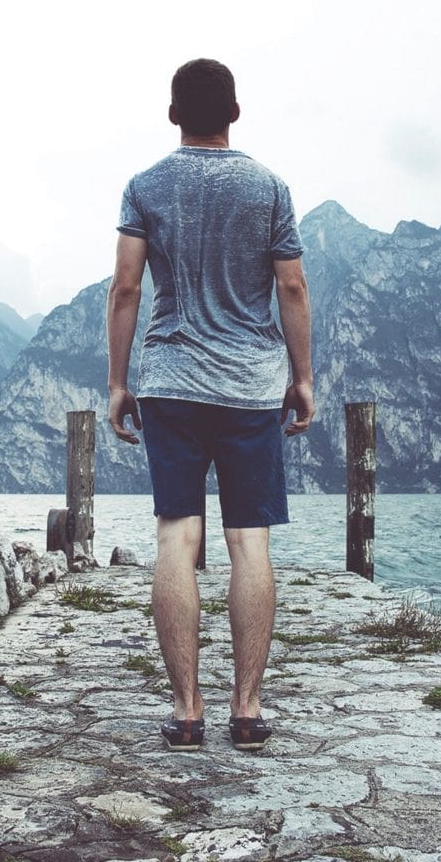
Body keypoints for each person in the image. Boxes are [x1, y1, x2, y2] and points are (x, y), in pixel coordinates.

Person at [106, 58, 314, 752]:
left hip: (170, 384)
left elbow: (127, 290)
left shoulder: (145, 186)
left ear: (174, 115)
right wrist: (303, 376)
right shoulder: (269, 187)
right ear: (235, 112)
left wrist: (117, 382)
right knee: (248, 544)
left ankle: (187, 710)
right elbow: (291, 289)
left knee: (177, 539)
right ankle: (247, 710)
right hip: (250, 390)